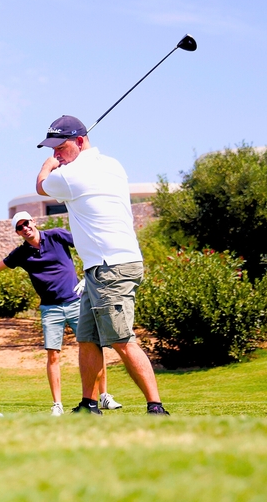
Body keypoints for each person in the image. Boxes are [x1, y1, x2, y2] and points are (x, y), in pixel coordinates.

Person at [36, 115, 169, 415]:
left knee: (121, 340)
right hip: (103, 267)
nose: (56, 154)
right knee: (87, 339)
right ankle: (89, 404)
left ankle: (156, 406)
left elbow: (41, 186)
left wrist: (48, 165)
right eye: (52, 149)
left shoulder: (71, 176)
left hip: (112, 268)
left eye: (60, 147)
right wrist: (65, 160)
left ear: (80, 142)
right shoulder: (113, 165)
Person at [0, 211, 123, 416]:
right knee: (53, 355)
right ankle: (57, 404)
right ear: (17, 232)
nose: (25, 228)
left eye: (26, 223)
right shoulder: (21, 254)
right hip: (50, 309)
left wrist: (88, 276)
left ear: (34, 222)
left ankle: (103, 396)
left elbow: (88, 246)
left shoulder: (56, 235)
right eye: (20, 226)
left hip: (76, 302)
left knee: (93, 348)